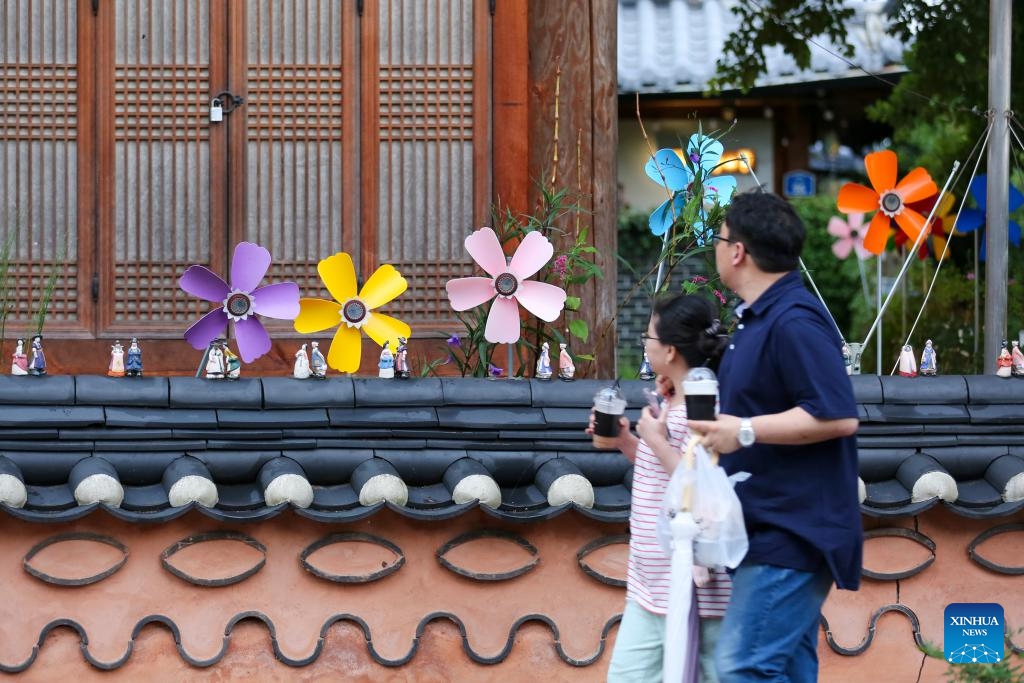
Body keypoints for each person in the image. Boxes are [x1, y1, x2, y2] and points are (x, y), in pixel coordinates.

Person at [688, 192, 861, 683]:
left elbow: (837, 415)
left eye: (719, 240)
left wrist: (741, 430)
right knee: (785, 669)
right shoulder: (758, 319)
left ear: (738, 250)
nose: (717, 250)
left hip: (793, 531)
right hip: (767, 526)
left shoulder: (794, 320)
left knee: (742, 667)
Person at [590, 294, 732, 683]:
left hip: (697, 595)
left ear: (669, 351)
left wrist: (654, 441)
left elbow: (704, 490)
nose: (645, 343)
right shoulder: (670, 402)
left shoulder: (709, 412)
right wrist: (627, 442)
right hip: (648, 586)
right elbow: (666, 476)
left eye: (648, 337)